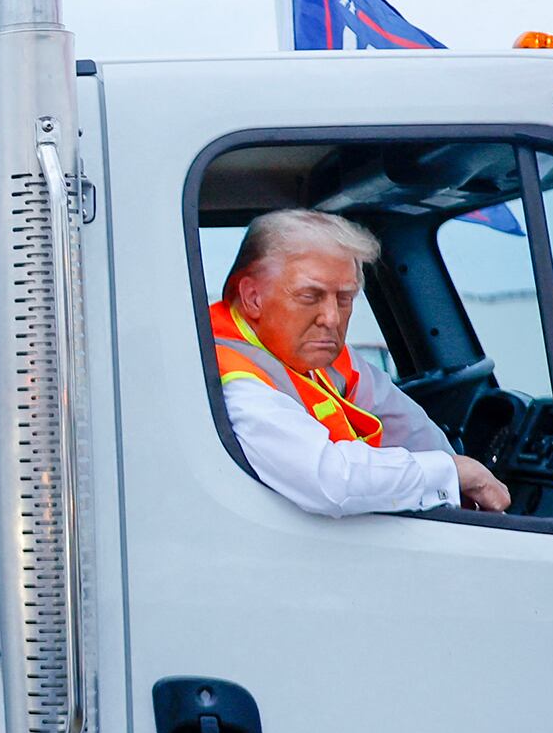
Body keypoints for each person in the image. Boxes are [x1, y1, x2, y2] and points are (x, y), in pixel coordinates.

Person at [211, 209, 512, 518]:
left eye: (345, 298)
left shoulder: (318, 352)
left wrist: (463, 494)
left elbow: (408, 425)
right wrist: (450, 472)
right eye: (309, 296)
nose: (331, 318)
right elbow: (331, 483)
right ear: (253, 297)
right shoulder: (231, 377)